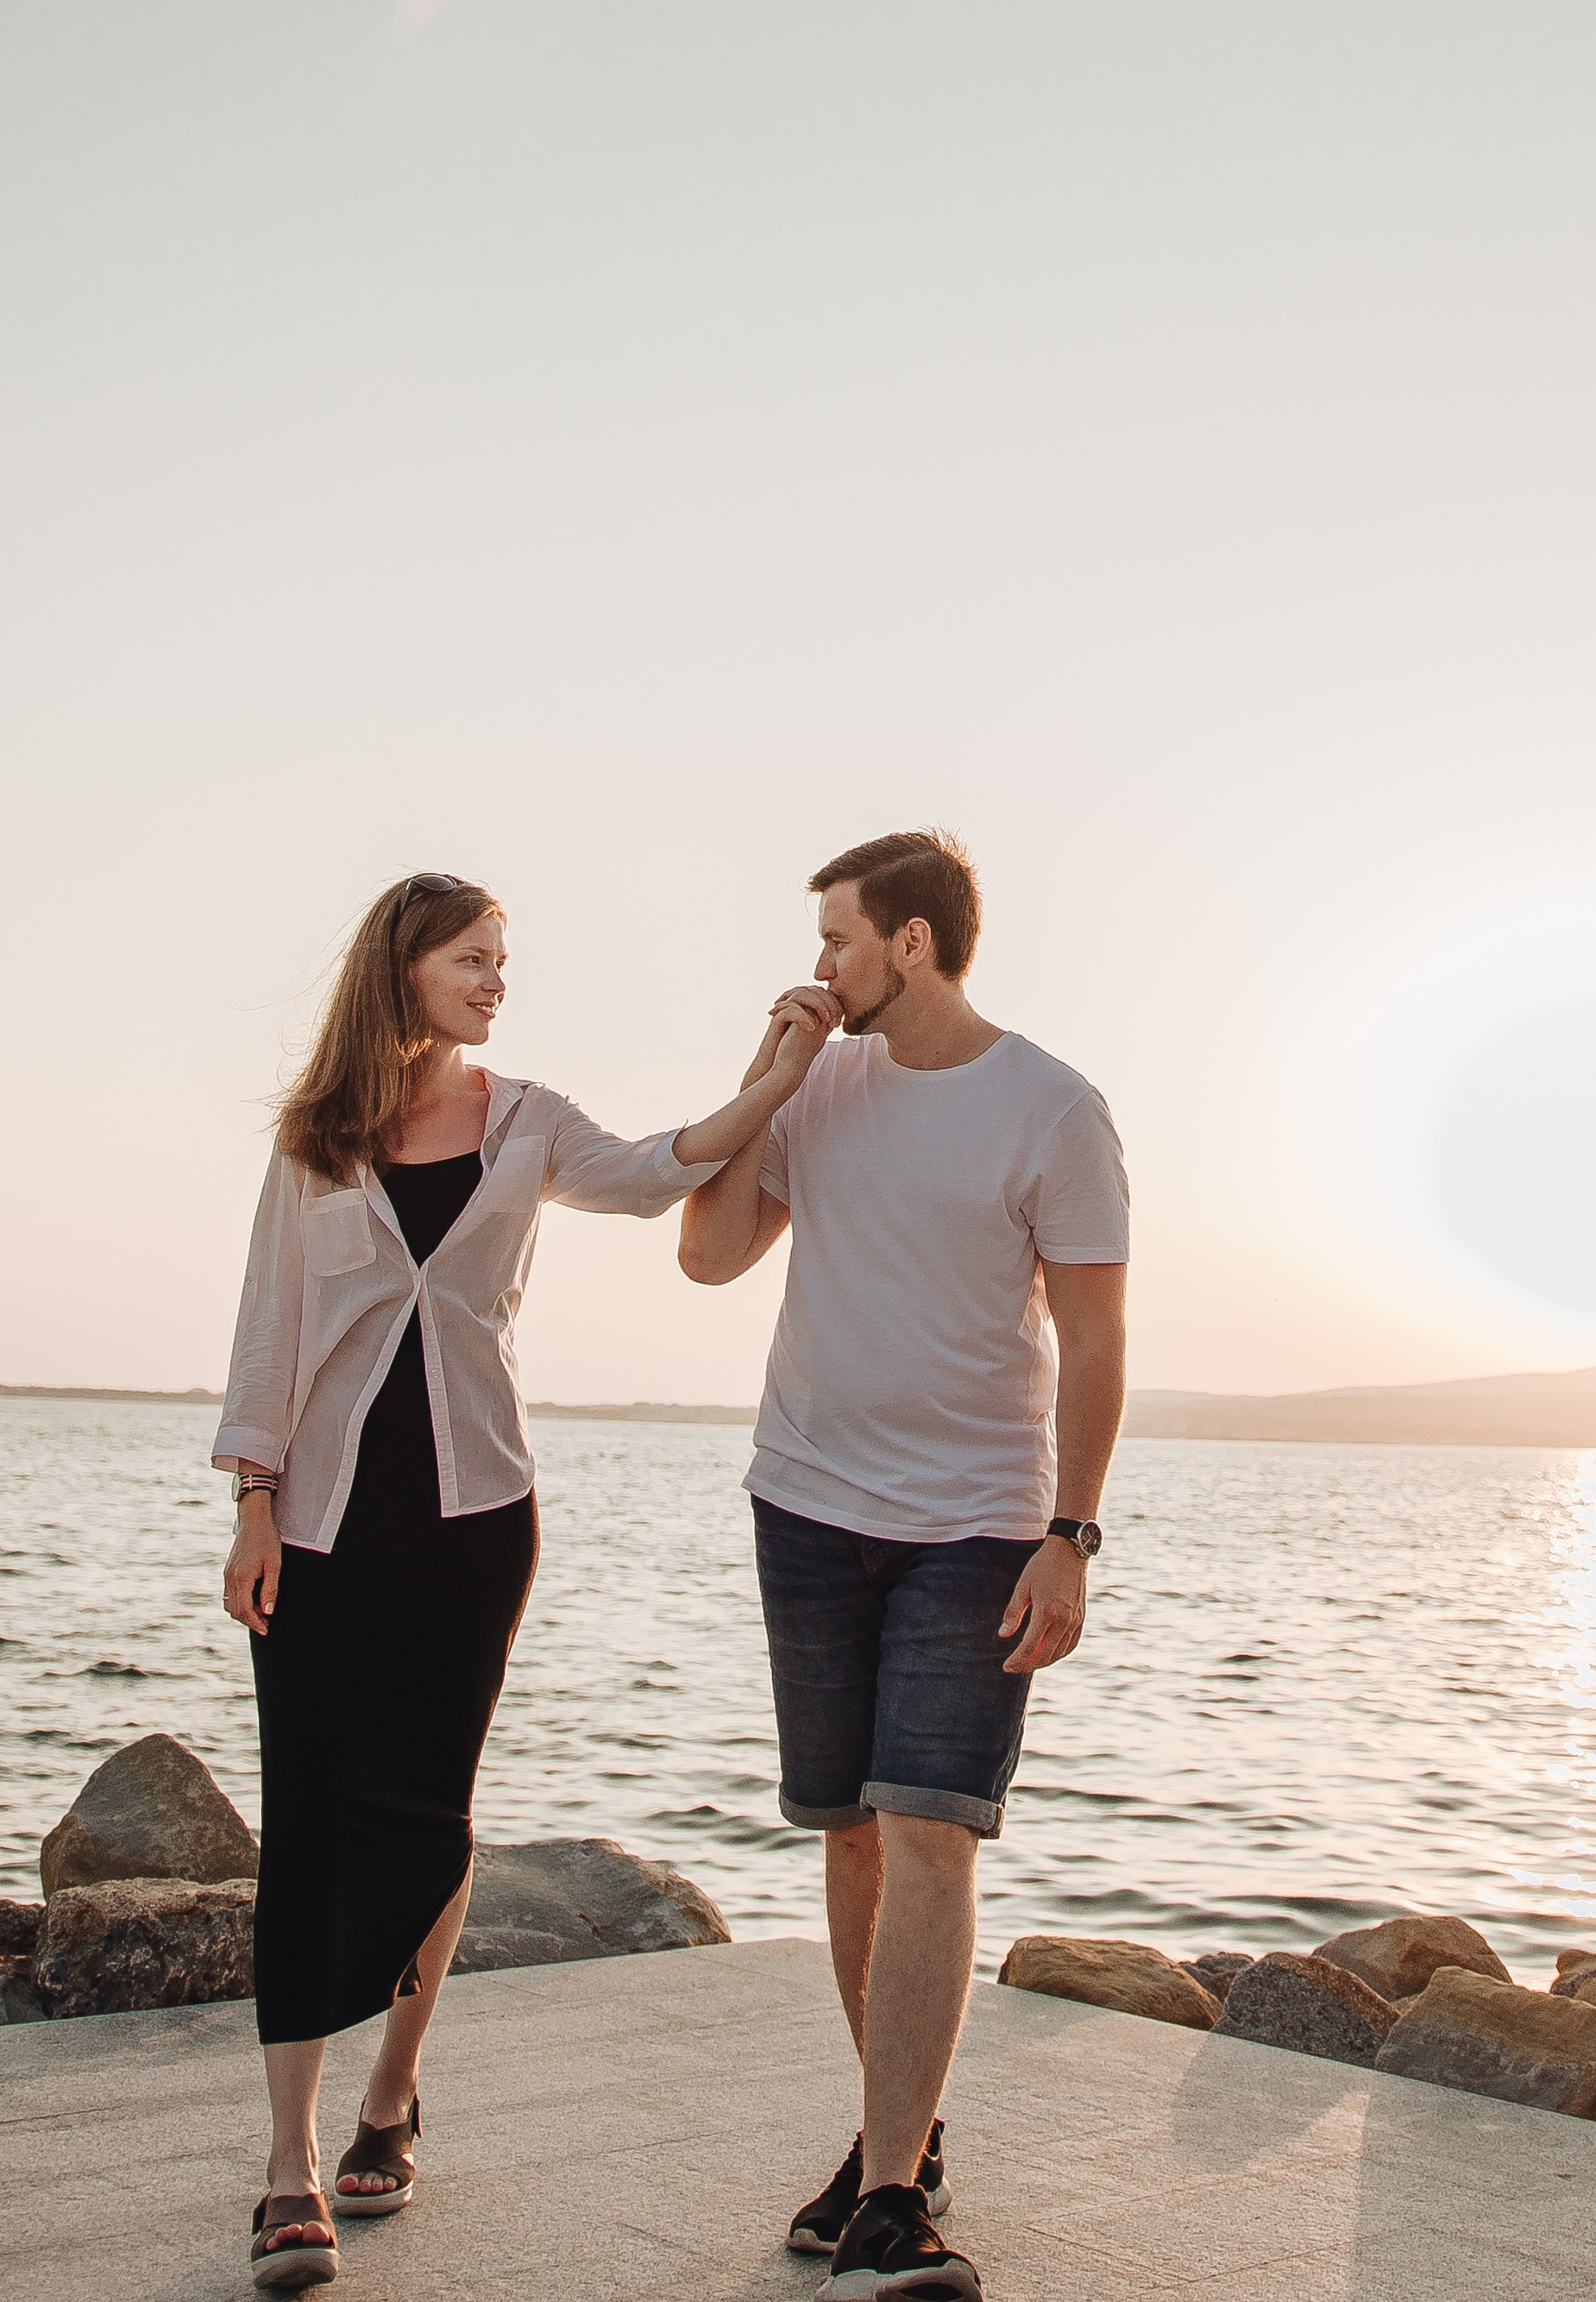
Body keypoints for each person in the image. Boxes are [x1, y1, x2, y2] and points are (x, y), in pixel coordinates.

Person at [215, 871, 809, 2292]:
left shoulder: (530, 1119)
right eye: (474, 959)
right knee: (307, 1816)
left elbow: (663, 1167)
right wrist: (249, 1508)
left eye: (502, 961)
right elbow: (267, 1331)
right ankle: (290, 2164)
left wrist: (777, 1077)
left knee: (431, 1814)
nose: (497, 981)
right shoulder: (314, 1139)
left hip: (477, 1517)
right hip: (318, 1526)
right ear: (404, 968)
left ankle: (390, 2100)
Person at [679, 829, 1129, 2302]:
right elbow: (709, 1253)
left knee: (932, 1827)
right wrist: (769, 1072)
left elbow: (1098, 1339)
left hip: (979, 1530)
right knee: (852, 1834)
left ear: (914, 943)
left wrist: (1071, 1536)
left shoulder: (1053, 1111)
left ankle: (886, 2200)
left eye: (837, 942)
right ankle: (900, 2143)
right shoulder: (822, 1089)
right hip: (805, 1507)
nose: (819, 965)